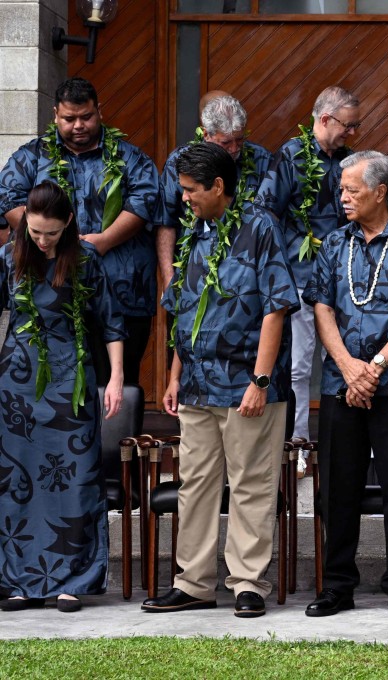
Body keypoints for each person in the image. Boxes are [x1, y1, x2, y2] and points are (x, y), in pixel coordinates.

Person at [141, 143, 299, 618]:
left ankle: (248, 583)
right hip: (196, 385)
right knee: (195, 482)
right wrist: (174, 375)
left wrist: (261, 379)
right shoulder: (195, 231)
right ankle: (193, 583)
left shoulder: (260, 227)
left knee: (251, 482)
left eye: (192, 190)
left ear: (218, 187)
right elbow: (184, 311)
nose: (184, 198)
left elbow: (276, 307)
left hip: (246, 385)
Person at [303, 151, 388, 619]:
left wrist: (374, 367)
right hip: (342, 384)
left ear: (380, 193)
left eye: (352, 190)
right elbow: (321, 307)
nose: (342, 197)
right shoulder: (333, 244)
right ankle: (337, 585)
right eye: (341, 190)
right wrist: (347, 367)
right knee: (336, 489)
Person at [0, 181, 124, 613]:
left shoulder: (86, 260)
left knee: (73, 478)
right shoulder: (9, 256)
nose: (41, 240)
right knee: (18, 483)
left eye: (50, 233)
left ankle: (72, 579)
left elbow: (111, 322)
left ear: (68, 223)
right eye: (35, 231)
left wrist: (115, 377)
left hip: (71, 381)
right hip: (16, 385)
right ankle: (19, 580)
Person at [0, 77, 159, 386]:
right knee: (56, 383)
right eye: (69, 119)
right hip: (51, 295)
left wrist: (102, 241)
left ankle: (119, 437)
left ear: (98, 111)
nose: (78, 125)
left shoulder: (131, 158)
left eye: (86, 116)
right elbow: (8, 199)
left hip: (123, 288)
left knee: (118, 384)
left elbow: (145, 202)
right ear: (55, 114)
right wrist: (55, 241)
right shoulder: (31, 156)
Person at [257, 85, 361, 450]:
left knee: (342, 362)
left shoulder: (351, 162)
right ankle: (298, 442)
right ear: (325, 119)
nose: (352, 133)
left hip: (343, 280)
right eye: (347, 126)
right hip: (300, 277)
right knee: (299, 367)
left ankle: (341, 442)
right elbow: (267, 212)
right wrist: (276, 273)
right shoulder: (289, 156)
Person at [157, 94, 271, 292]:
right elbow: (166, 223)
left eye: (239, 140)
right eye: (226, 143)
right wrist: (169, 281)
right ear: (205, 135)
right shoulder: (179, 161)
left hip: (245, 277)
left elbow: (270, 223)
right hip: (192, 272)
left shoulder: (261, 160)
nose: (235, 149)